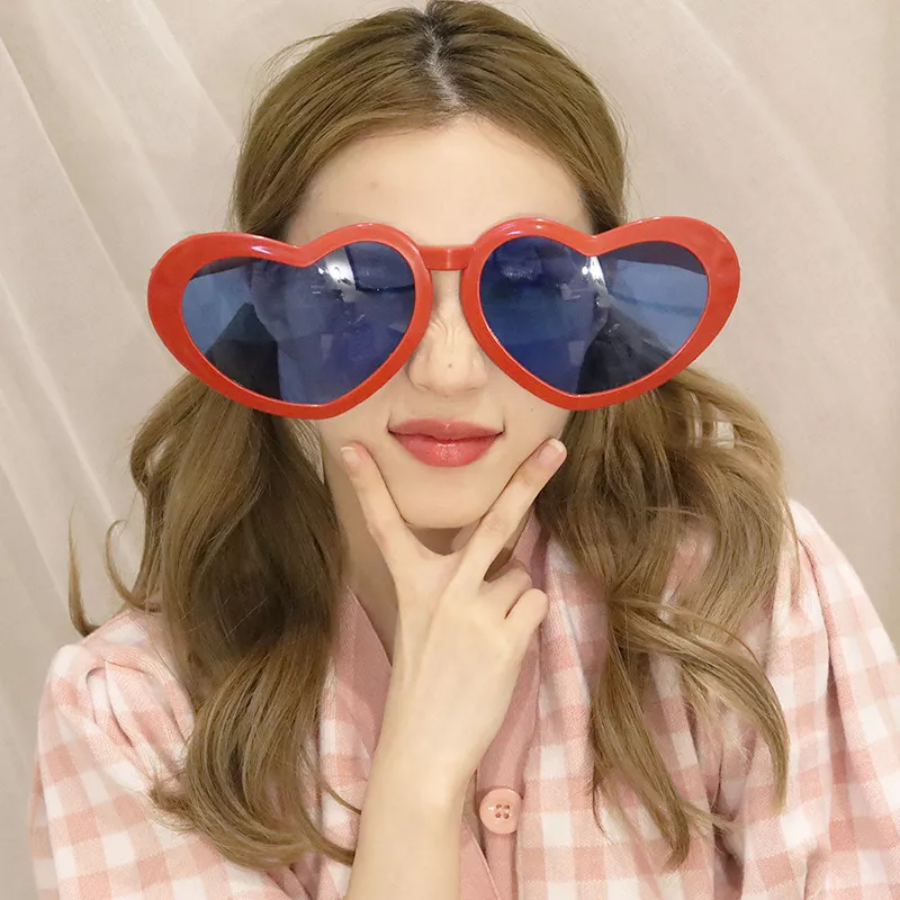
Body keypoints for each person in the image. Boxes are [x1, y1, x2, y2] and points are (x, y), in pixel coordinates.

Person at [27, 2, 900, 898]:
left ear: (597, 314)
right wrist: (418, 775)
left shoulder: (741, 598)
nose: (448, 371)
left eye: (525, 288)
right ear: (273, 315)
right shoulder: (134, 715)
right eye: (363, 291)